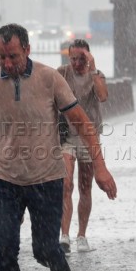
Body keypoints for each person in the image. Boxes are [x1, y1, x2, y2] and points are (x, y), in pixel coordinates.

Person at [0, 23, 117, 271]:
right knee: (5, 250)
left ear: (27, 49)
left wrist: (100, 167)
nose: (7, 64)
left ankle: (59, 267)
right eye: (1, 58)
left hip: (47, 178)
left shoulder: (49, 79)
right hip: (6, 181)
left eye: (12, 56)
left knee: (43, 249)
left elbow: (82, 122)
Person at [57, 39, 108, 254]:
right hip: (66, 136)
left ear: (89, 56)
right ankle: (65, 235)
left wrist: (93, 68)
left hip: (88, 137)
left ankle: (82, 235)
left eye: (82, 58)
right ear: (68, 58)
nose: (77, 63)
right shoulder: (61, 73)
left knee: (85, 187)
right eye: (73, 58)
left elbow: (103, 96)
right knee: (66, 184)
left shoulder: (96, 75)